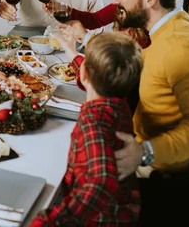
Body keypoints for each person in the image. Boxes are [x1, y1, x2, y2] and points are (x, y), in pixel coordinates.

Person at [61, 0, 189, 177]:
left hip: (156, 170)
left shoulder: (183, 47)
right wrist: (73, 54)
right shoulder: (161, 32)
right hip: (135, 139)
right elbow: (120, 74)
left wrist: (144, 152)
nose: (116, 0)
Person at [30, 32, 142, 227]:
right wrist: (71, 51)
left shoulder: (93, 121)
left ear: (83, 74)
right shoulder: (120, 101)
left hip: (100, 220)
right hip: (124, 206)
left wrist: (49, 221)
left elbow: (101, 182)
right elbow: (96, 74)